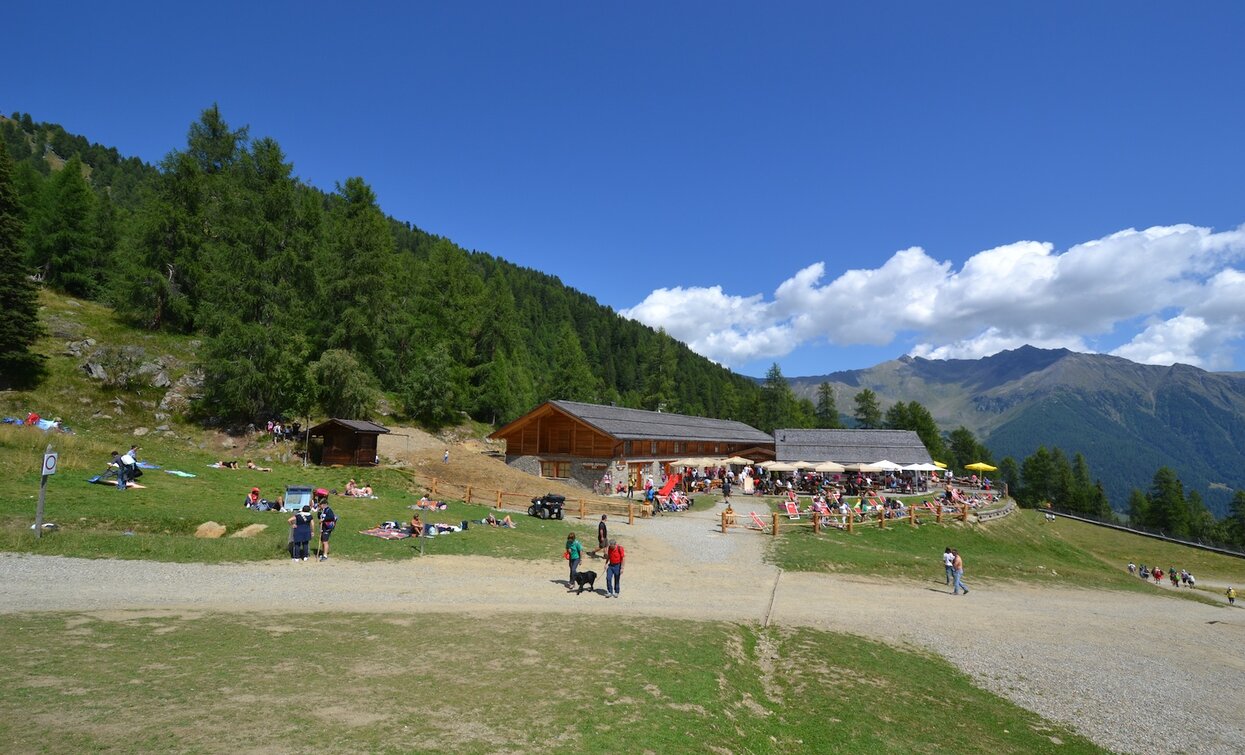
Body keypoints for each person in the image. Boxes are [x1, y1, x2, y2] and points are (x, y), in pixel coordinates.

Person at [317, 496, 337, 561]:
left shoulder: (329, 510)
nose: (320, 506)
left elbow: (331, 517)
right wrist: (319, 512)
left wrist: (323, 520)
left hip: (327, 528)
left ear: (324, 504)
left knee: (325, 541)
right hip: (323, 528)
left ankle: (325, 555)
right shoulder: (322, 510)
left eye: (320, 505)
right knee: (323, 541)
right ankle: (323, 553)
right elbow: (319, 517)